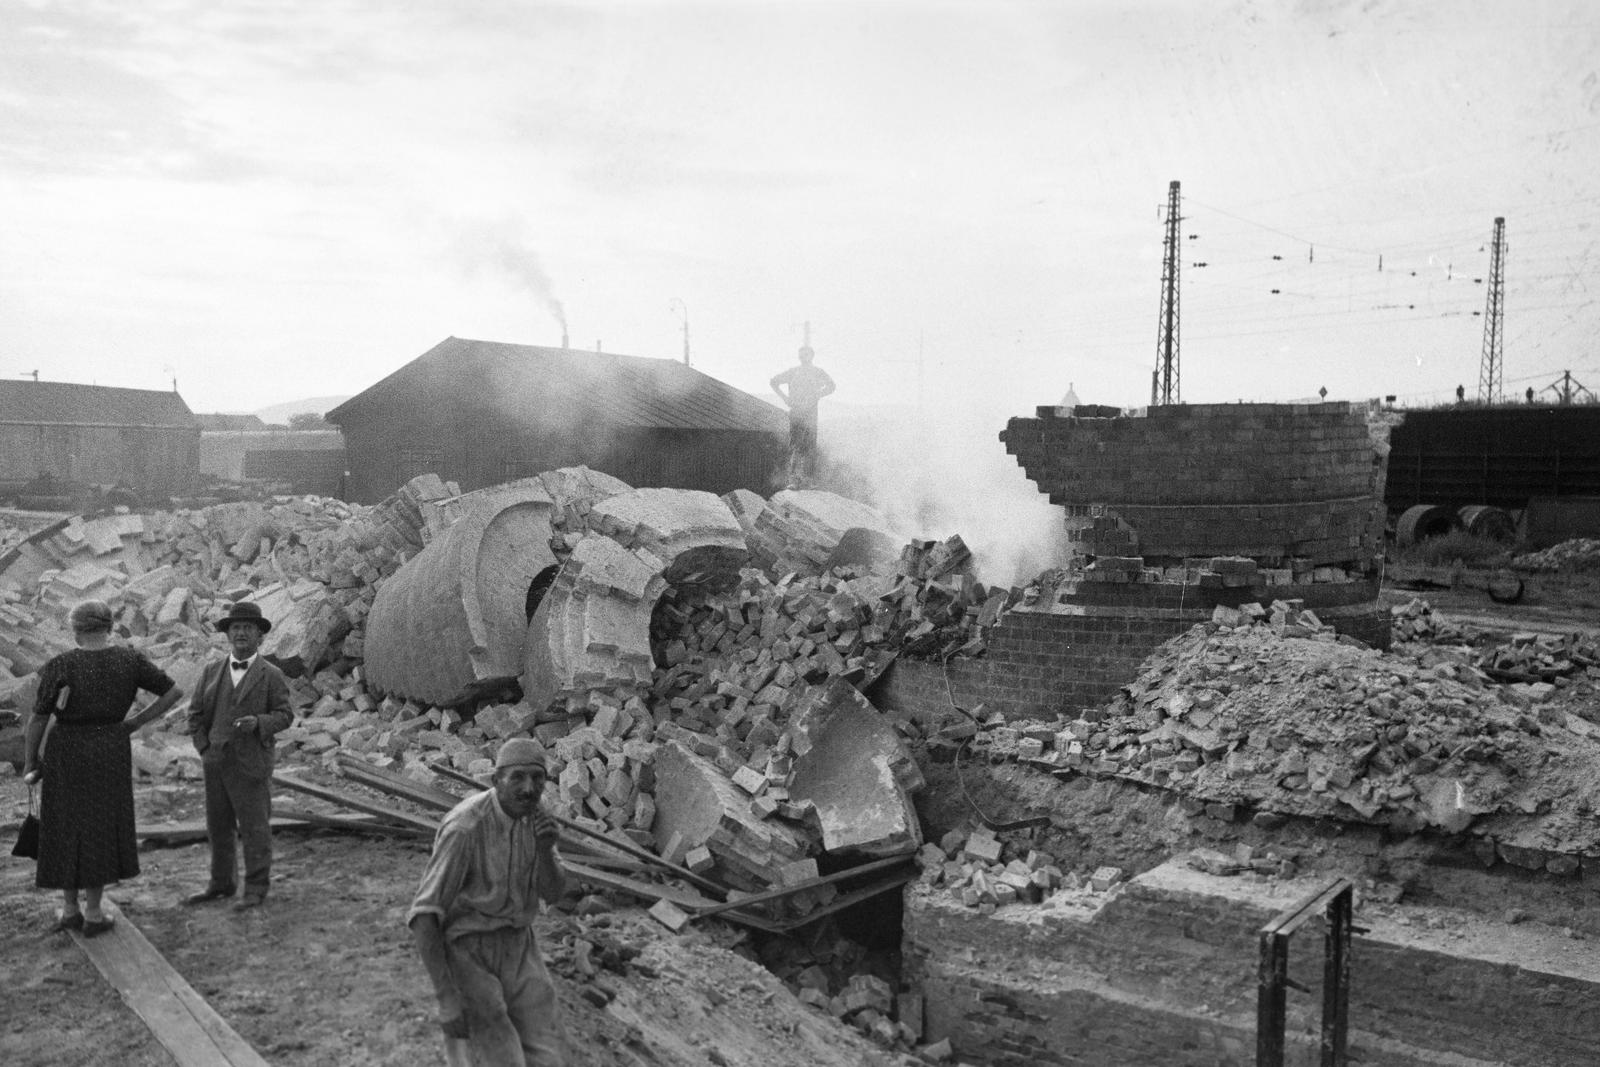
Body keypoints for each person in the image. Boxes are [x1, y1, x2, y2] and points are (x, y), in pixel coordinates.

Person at [21, 599, 185, 935]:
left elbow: (38, 719)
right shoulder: (129, 660)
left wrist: (31, 761)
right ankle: (94, 914)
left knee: (65, 825)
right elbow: (174, 692)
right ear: (109, 627)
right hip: (110, 747)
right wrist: (134, 723)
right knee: (100, 825)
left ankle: (70, 910)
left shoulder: (61, 664)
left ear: (76, 630)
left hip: (66, 749)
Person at [409, 738, 569, 1067]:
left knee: (550, 1055)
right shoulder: (465, 827)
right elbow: (424, 914)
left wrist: (545, 850)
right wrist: (446, 999)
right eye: (517, 777)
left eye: (537, 778)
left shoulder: (538, 818)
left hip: (519, 946)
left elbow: (553, 894)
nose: (529, 788)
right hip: (467, 946)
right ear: (496, 780)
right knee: (498, 1054)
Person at [184, 601, 294, 911]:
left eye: (248, 628)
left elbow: (285, 715)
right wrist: (204, 749)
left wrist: (259, 723)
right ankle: (221, 883)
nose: (241, 633)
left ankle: (255, 889)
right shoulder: (211, 671)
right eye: (236, 628)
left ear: (260, 635)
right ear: (227, 634)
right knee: (218, 827)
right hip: (215, 762)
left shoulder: (271, 674)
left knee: (254, 827)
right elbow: (194, 715)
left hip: (251, 763)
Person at [770, 343, 836, 484]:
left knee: (810, 445)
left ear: (812, 356)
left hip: (811, 414)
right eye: (800, 355)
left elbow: (832, 386)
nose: (802, 357)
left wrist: (818, 394)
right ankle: (794, 480)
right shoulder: (793, 372)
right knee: (795, 445)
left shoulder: (818, 372)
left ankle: (808, 479)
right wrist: (785, 398)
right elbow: (774, 382)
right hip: (796, 413)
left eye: (805, 354)